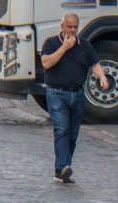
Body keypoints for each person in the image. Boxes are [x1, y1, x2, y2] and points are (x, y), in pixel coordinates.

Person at [40, 13, 109, 183]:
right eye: (69, 27)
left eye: (75, 27)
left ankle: (60, 170)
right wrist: (64, 47)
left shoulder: (85, 45)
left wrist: (102, 77)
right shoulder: (51, 43)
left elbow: (95, 63)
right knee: (61, 129)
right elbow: (46, 63)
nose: (72, 30)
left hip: (77, 93)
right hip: (56, 92)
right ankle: (64, 166)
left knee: (72, 134)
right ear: (62, 26)